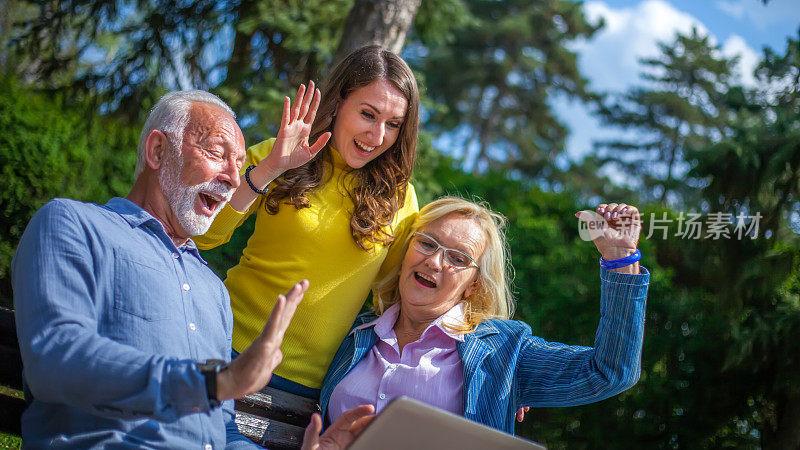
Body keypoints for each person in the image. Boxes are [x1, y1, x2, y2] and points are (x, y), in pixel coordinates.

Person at [12, 90, 372, 449]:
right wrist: (211, 382)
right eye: (217, 154)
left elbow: (224, 435)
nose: (234, 178)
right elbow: (56, 360)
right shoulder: (73, 225)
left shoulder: (213, 290)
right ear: (157, 151)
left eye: (240, 163)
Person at [194, 45, 420, 403]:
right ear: (339, 101)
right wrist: (271, 168)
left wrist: (495, 370)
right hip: (222, 347)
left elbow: (404, 298)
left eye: (393, 124)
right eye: (367, 114)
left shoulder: (399, 198)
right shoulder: (278, 154)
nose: (377, 137)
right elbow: (203, 234)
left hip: (307, 388)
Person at [319, 197, 650, 434]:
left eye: (458, 259)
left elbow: (610, 371)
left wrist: (621, 259)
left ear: (473, 287)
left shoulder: (503, 354)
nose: (434, 262)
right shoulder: (356, 330)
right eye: (427, 243)